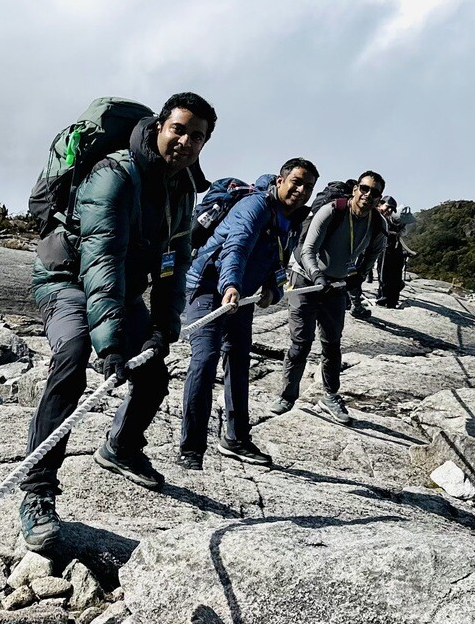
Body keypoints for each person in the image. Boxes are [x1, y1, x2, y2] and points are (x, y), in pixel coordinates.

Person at [18, 93, 215, 550]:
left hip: (118, 288)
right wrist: (108, 346)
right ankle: (37, 491)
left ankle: (121, 447)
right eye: (179, 129)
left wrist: (165, 326)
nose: (186, 141)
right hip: (67, 277)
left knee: (152, 371)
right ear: (160, 125)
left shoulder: (181, 187)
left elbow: (174, 262)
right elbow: (101, 258)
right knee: (74, 353)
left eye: (198, 136)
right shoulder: (114, 175)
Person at [177, 158, 319, 471]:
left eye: (308, 186)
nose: (301, 190)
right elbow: (236, 246)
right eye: (296, 181)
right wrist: (230, 285)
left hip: (240, 297)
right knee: (205, 357)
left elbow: (279, 262)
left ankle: (235, 437)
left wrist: (274, 290)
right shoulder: (254, 206)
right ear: (281, 180)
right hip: (208, 288)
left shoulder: (290, 219)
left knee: (239, 360)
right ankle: (191, 448)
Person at [271, 170, 386, 426]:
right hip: (305, 280)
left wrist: (357, 277)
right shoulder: (332, 211)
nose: (368, 195)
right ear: (356, 188)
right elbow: (307, 249)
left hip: (335, 286)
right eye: (364, 189)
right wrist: (317, 276)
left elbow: (372, 256)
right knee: (301, 342)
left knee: (332, 344)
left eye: (374, 192)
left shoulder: (378, 225)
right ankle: (287, 396)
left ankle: (331, 396)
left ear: (379, 197)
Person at [374, 197, 407, 308]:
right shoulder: (376, 216)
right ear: (380, 204)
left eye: (392, 210)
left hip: (394, 250)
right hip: (384, 249)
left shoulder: (392, 221)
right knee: (383, 275)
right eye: (388, 208)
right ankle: (383, 299)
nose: (389, 211)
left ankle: (392, 301)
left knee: (395, 275)